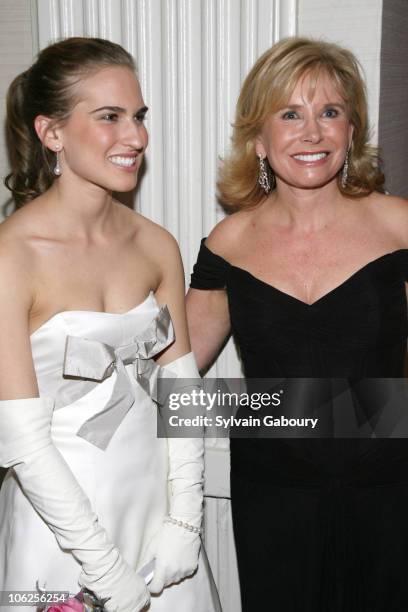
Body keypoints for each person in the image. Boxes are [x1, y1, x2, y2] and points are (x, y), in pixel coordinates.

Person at [186, 36, 408, 611]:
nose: (312, 133)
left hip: (390, 497)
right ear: (259, 139)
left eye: (329, 112)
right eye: (290, 114)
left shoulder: (399, 226)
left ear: (351, 132)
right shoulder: (227, 243)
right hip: (273, 501)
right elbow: (178, 382)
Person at [0, 37, 220, 612]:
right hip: (62, 528)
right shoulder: (11, 257)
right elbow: (22, 439)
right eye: (110, 117)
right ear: (52, 133)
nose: (137, 137)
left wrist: (185, 520)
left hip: (158, 512)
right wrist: (103, 570)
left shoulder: (157, 245)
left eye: (139, 117)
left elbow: (182, 391)